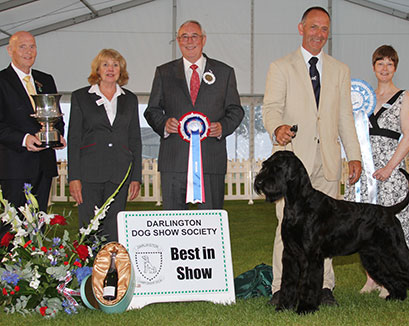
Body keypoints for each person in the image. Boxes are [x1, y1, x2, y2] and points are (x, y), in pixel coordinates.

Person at [262, 7, 362, 306]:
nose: (319, 34)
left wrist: (354, 156)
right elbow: (271, 108)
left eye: (324, 29)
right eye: (314, 27)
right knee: (287, 228)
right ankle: (281, 287)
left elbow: (345, 116)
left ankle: (323, 288)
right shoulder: (281, 66)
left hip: (328, 161)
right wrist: (277, 127)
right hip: (292, 164)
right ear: (301, 28)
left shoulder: (340, 69)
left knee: (325, 230)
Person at [144, 20, 244, 210]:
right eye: (184, 36)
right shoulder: (163, 72)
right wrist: (164, 124)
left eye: (194, 36)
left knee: (210, 225)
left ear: (204, 39)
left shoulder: (224, 72)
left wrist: (223, 127)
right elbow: (152, 110)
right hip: (173, 161)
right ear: (178, 40)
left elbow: (236, 110)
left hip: (210, 160)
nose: (189, 41)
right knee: (174, 226)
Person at [345, 45, 409, 297]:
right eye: (380, 63)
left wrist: (389, 167)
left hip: (389, 167)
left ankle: (391, 279)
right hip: (364, 168)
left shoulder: (404, 96)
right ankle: (371, 278)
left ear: (395, 67)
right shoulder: (363, 96)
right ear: (373, 66)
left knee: (388, 227)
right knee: (363, 224)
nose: (384, 68)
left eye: (389, 64)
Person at [68, 49, 142, 242]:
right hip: (88, 173)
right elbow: (74, 138)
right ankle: (88, 270)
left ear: (121, 70)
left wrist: (136, 177)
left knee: (114, 228)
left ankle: (111, 269)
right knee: (89, 228)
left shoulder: (130, 99)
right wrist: (74, 177)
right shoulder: (80, 97)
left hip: (120, 173)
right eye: (106, 65)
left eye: (115, 65)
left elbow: (135, 138)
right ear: (98, 70)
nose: (111, 69)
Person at [0, 31, 65, 238]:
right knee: (12, 227)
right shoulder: (1, 81)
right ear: (10, 50)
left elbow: (57, 117)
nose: (29, 51)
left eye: (32, 46)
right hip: (14, 167)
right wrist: (24, 139)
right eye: (23, 47)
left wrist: (57, 135)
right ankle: (8, 270)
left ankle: (37, 269)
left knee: (38, 226)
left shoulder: (46, 80)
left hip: (44, 166)